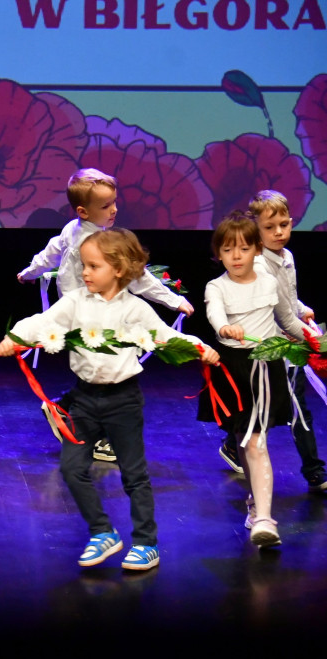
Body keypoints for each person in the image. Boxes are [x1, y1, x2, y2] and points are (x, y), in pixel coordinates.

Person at [0, 228, 219, 570]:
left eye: (93, 266)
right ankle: (103, 532)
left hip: (123, 400)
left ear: (118, 269)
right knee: (72, 469)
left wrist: (200, 349)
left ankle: (146, 542)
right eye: (83, 265)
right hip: (84, 399)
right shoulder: (74, 302)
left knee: (133, 475)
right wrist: (14, 338)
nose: (84, 273)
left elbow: (166, 336)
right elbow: (44, 321)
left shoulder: (136, 309)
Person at [17, 168, 195, 462]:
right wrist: (173, 300)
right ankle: (92, 431)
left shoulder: (72, 229)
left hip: (82, 313)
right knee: (110, 376)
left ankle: (67, 408)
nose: (114, 209)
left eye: (114, 202)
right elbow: (138, 278)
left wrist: (29, 273)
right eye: (105, 206)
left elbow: (48, 255)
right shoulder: (101, 245)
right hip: (94, 316)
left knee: (102, 374)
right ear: (83, 211)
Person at [200, 211, 309, 548]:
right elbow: (214, 313)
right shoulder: (216, 286)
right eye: (228, 249)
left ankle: (264, 518)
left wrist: (311, 339)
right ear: (218, 253)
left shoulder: (269, 282)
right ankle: (254, 503)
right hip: (232, 371)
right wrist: (223, 328)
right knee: (244, 440)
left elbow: (288, 319)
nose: (236, 256)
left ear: (257, 251)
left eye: (244, 248)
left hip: (265, 368)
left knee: (255, 442)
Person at [215, 191, 325, 491]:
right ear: (256, 231)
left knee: (277, 407)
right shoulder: (259, 265)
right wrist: (312, 341)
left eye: (285, 224)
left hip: (289, 342)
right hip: (272, 347)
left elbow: (286, 299)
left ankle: (232, 445)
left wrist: (301, 309)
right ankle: (315, 470)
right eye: (270, 227)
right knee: (293, 407)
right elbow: (272, 311)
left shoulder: (286, 257)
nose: (279, 232)